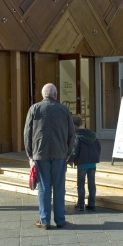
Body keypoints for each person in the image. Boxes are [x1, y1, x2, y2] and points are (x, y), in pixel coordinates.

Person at [24, 83, 75, 230]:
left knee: (44, 188)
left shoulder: (34, 108)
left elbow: (27, 132)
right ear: (55, 94)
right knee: (59, 187)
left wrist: (29, 153)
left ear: (43, 95)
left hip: (40, 153)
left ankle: (45, 220)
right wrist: (68, 152)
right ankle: (60, 220)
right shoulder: (64, 110)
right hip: (60, 153)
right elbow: (72, 134)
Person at [69, 115, 101, 211]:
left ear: (75, 126)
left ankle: (80, 204)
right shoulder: (92, 135)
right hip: (92, 164)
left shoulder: (77, 137)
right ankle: (92, 204)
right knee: (92, 183)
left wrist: (70, 160)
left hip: (82, 163)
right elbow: (99, 148)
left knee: (81, 184)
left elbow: (74, 150)